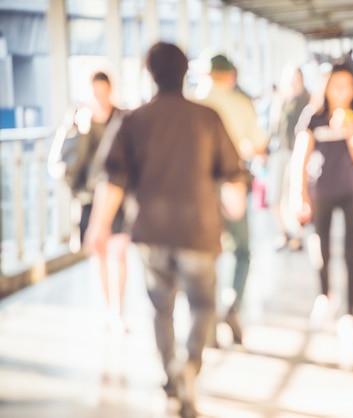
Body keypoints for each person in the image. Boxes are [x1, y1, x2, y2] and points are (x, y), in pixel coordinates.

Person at [84, 42, 248, 418]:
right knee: (203, 304)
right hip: (199, 230)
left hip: (151, 231)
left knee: (162, 307)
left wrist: (99, 226)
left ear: (149, 73)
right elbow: (233, 172)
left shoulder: (133, 120)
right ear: (186, 71)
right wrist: (235, 204)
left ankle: (171, 377)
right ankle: (190, 365)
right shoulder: (207, 117)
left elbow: (113, 179)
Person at [292, 63, 353, 340]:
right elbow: (300, 158)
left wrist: (351, 132)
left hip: (350, 191)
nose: (342, 91)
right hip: (320, 191)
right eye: (336, 85)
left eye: (347, 86)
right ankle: (325, 296)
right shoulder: (312, 117)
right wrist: (299, 193)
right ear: (325, 87)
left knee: (351, 252)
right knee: (322, 248)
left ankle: (350, 312)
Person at [194, 54, 268, 346]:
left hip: (198, 188)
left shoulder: (192, 103)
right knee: (241, 250)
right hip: (233, 183)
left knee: (207, 252)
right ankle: (232, 305)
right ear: (231, 76)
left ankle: (208, 318)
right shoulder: (240, 104)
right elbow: (257, 145)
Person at [48, 71, 129, 329]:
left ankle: (118, 310)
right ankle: (108, 309)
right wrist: (80, 130)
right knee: (100, 252)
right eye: (95, 92)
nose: (100, 97)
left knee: (119, 250)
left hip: (117, 193)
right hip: (88, 195)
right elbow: (64, 159)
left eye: (104, 92)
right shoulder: (78, 117)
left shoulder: (121, 116)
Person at [268, 67, 311, 251]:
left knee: (295, 194)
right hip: (280, 151)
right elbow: (273, 128)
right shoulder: (280, 100)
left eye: (296, 79)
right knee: (275, 196)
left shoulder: (307, 101)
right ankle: (283, 232)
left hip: (297, 152)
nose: (292, 83)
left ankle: (297, 234)